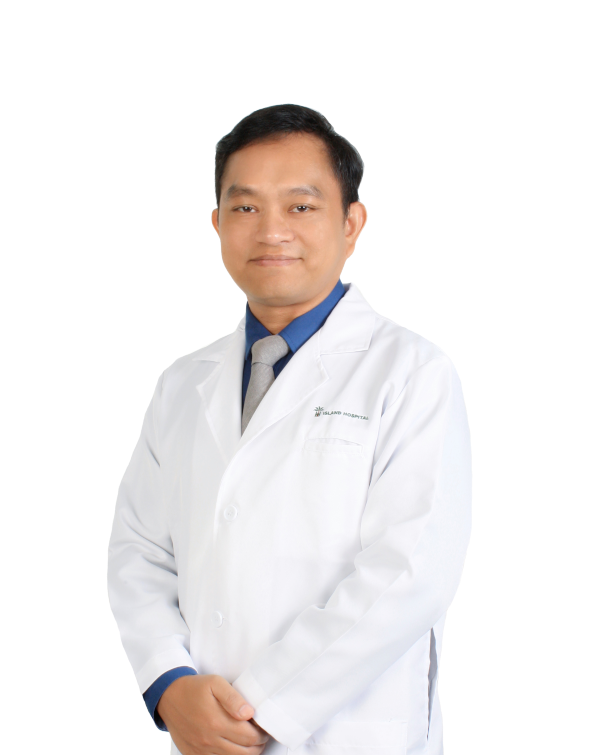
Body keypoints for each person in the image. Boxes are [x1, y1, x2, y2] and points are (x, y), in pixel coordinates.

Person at [106, 103, 474, 755]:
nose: (271, 230)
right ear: (217, 223)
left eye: (300, 206)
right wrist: (169, 682)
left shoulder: (413, 370)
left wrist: (263, 709)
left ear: (352, 223)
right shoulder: (182, 382)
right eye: (245, 207)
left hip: (346, 734)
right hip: (199, 730)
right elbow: (139, 550)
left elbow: (408, 570)